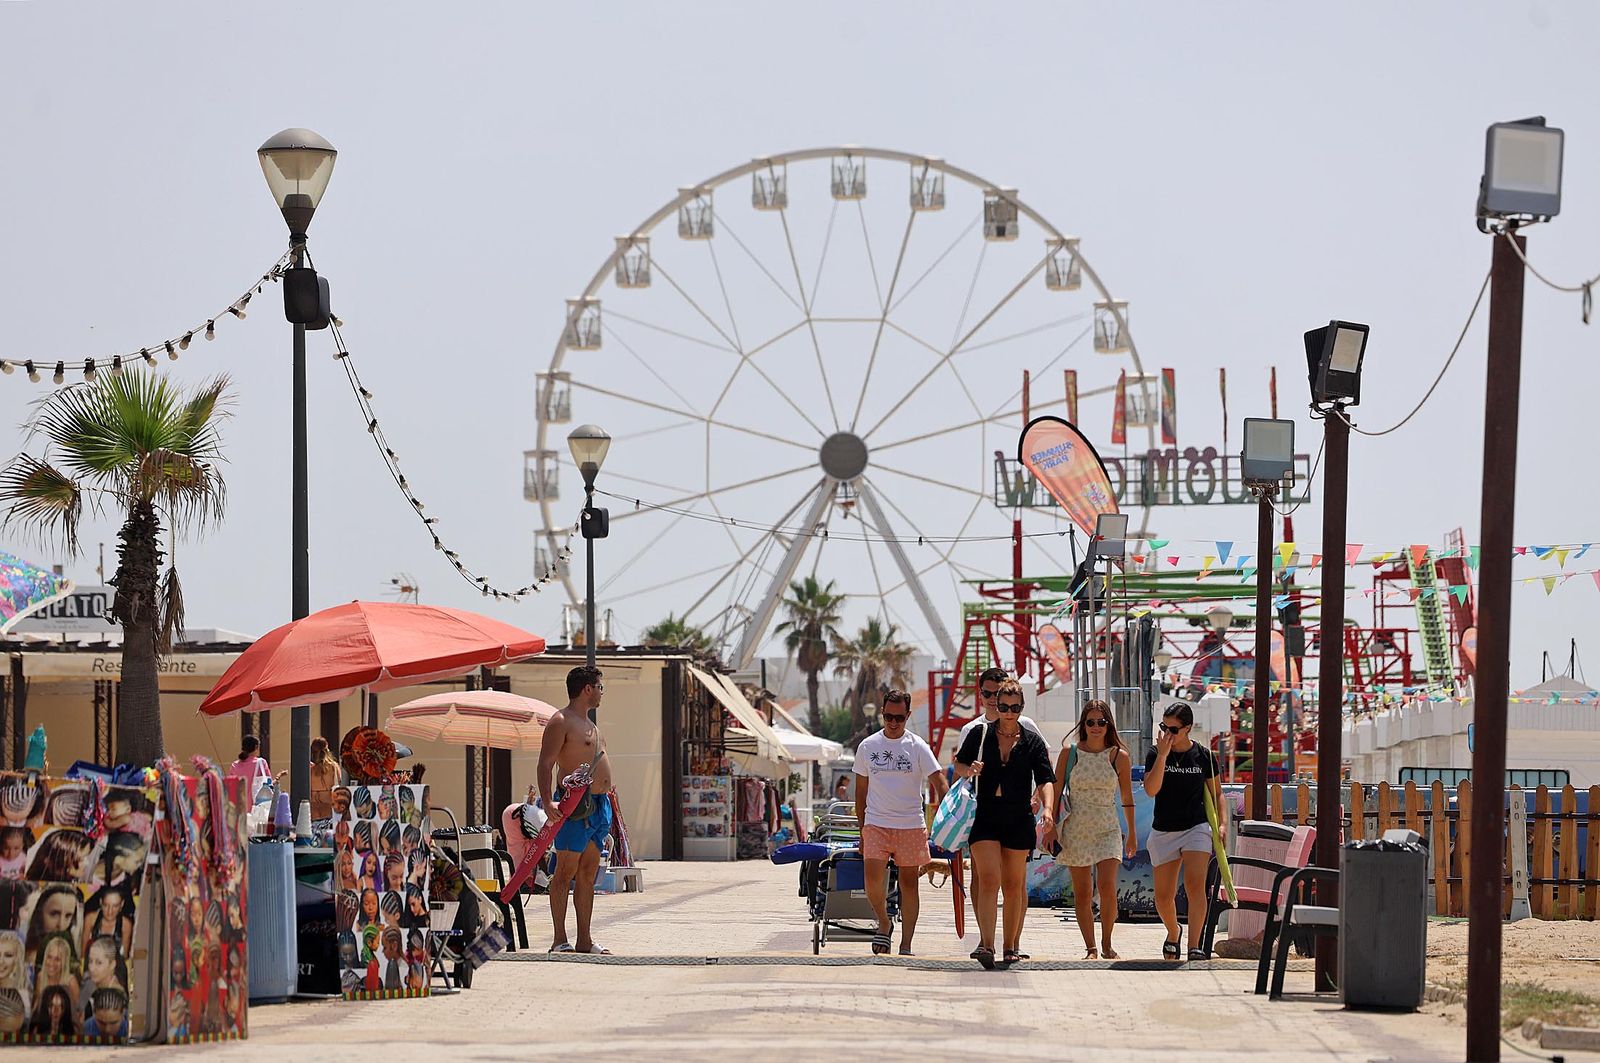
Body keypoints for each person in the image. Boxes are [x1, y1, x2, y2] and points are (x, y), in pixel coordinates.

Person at [953, 679, 1054, 969]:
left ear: (1022, 707)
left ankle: (1010, 945)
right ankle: (986, 943)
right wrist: (969, 769)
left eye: (1015, 707)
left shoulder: (1032, 741)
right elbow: (959, 765)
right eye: (1004, 706)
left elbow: (1045, 778)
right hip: (986, 812)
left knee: (1013, 884)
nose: (1009, 712)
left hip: (1018, 814)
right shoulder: (979, 734)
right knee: (988, 879)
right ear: (996, 705)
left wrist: (1047, 808)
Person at [852, 690, 948, 957]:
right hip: (876, 823)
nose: (893, 723)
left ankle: (906, 944)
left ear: (908, 715)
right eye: (888, 716)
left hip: (910, 823)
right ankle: (884, 921)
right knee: (872, 881)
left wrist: (947, 809)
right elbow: (860, 792)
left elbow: (938, 779)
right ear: (882, 713)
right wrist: (862, 827)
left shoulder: (917, 745)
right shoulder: (867, 746)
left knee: (909, 883)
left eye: (899, 718)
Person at [537, 665, 614, 955]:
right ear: (587, 689)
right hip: (574, 806)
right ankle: (559, 939)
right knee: (565, 871)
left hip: (598, 807)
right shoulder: (561, 721)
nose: (602, 693)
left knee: (588, 872)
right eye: (600, 687)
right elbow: (545, 763)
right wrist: (547, 802)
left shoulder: (591, 725)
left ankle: (585, 940)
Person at [1053, 700, 1138, 959]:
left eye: (1102, 722)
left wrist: (1132, 832)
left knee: (1107, 886)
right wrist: (1048, 826)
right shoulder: (1070, 753)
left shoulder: (1118, 756)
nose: (1096, 727)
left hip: (1107, 827)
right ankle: (1090, 947)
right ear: (1083, 724)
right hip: (1076, 827)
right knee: (1082, 892)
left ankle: (1107, 942)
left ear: (1109, 724)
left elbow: (1126, 797)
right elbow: (1055, 791)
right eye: (1090, 722)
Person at [1144, 701, 1224, 962]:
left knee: (1195, 885)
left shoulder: (1203, 756)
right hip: (1164, 828)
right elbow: (1151, 790)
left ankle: (1194, 945)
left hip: (1195, 827)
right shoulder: (1155, 754)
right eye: (1164, 727)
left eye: (1174, 729)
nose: (1168, 734)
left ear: (1188, 728)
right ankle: (1173, 931)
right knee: (1163, 896)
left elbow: (1217, 793)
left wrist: (1221, 824)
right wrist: (1164, 755)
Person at [956, 668, 1043, 746]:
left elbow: (1044, 759)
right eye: (987, 693)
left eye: (997, 694)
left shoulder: (1026, 724)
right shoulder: (969, 729)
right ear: (980, 695)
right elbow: (960, 763)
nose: (992, 698)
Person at [226, 737, 285, 803]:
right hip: (256, 809)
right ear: (256, 747)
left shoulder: (234, 765)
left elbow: (230, 788)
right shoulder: (261, 763)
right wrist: (278, 776)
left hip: (239, 809)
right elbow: (269, 784)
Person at [309, 737, 340, 821]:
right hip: (329, 808)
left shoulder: (310, 770)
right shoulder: (334, 767)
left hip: (313, 809)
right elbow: (339, 784)